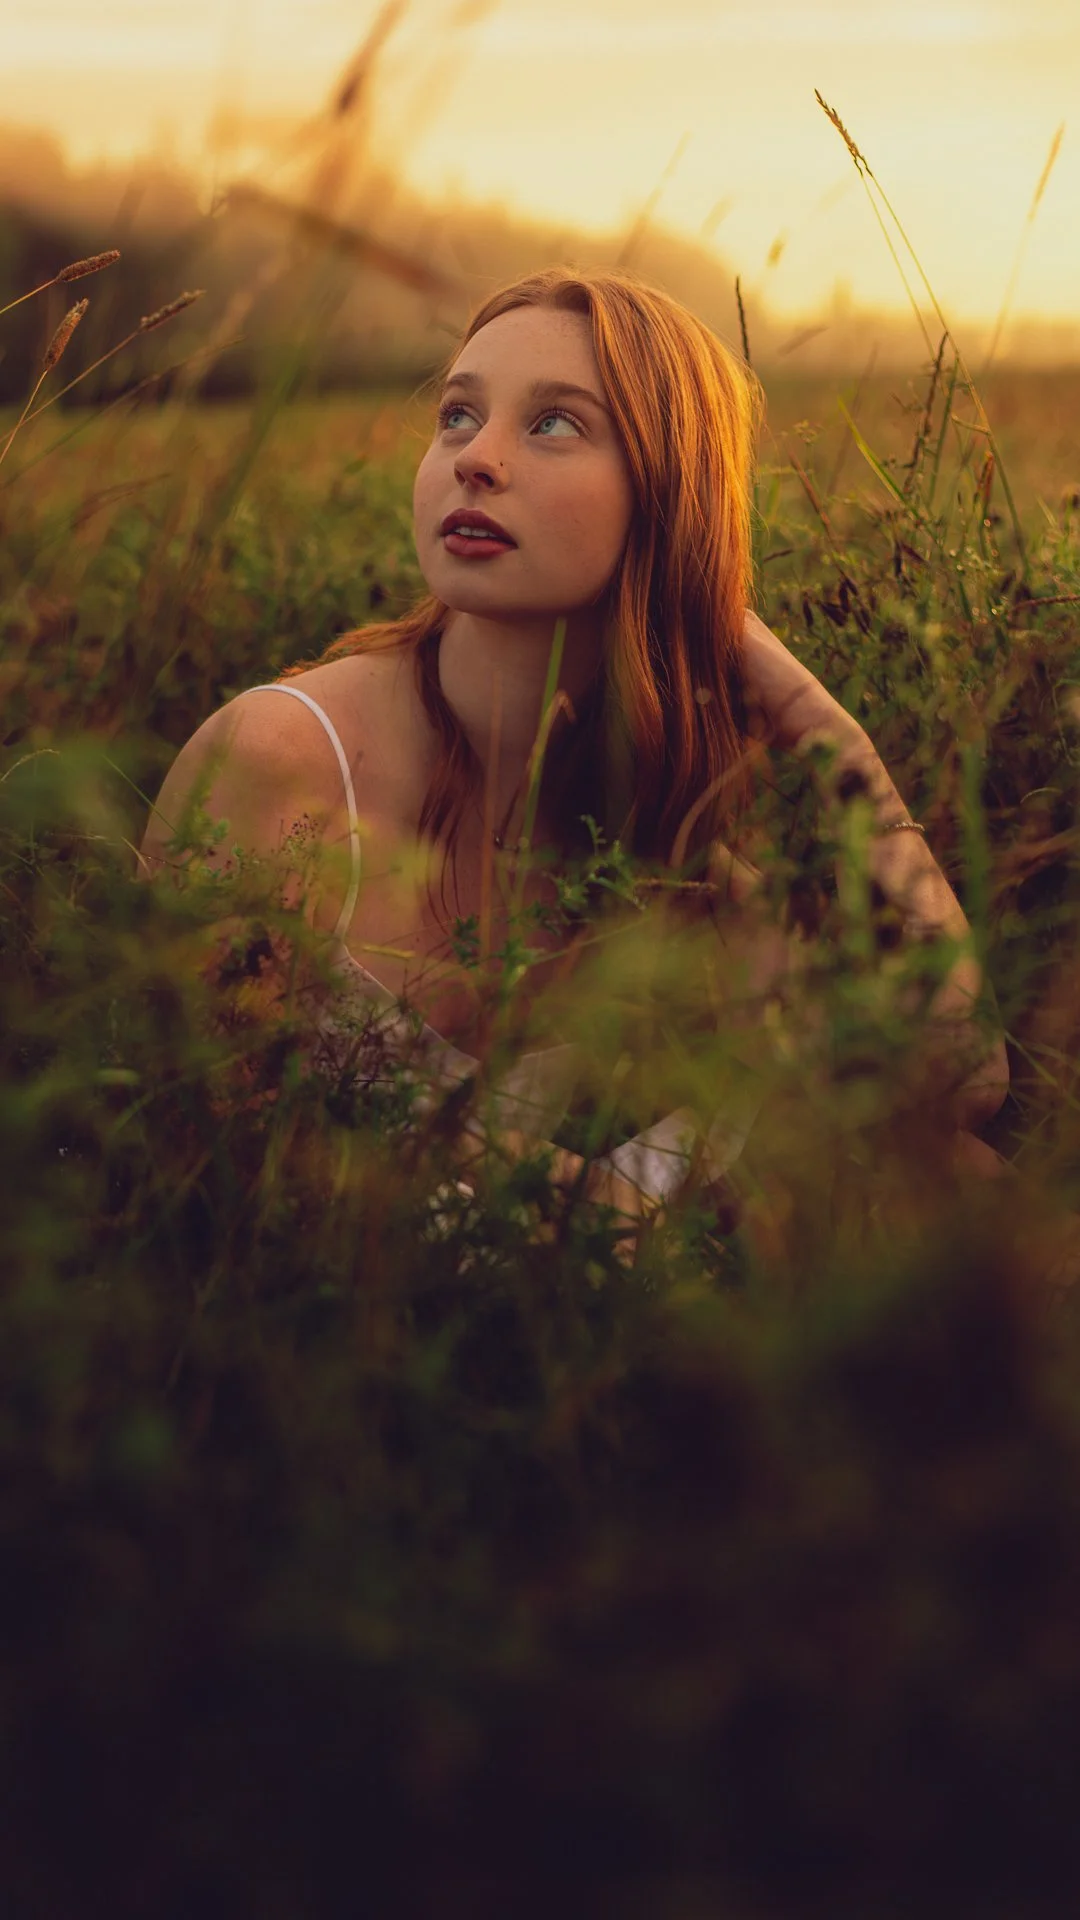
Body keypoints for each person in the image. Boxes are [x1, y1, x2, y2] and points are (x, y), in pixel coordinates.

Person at [138, 265, 1010, 1243]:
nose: (477, 459)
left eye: (554, 424)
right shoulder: (279, 761)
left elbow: (956, 1075)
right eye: (458, 417)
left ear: (668, 498)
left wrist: (819, 722)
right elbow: (207, 1168)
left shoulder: (649, 836)